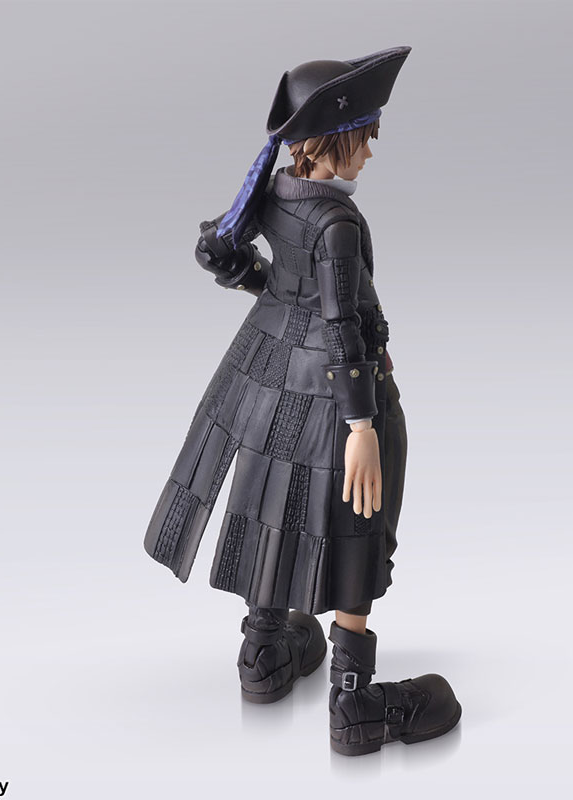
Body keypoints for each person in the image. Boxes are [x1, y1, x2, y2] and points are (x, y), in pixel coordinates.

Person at [144, 45, 461, 756]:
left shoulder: (276, 191)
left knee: (272, 494)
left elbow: (224, 256)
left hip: (262, 373)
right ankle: (355, 705)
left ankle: (263, 654)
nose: (371, 151)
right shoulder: (337, 223)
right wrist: (362, 425)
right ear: (335, 138)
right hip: (337, 396)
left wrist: (277, 292)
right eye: (366, 135)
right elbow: (343, 324)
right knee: (357, 517)